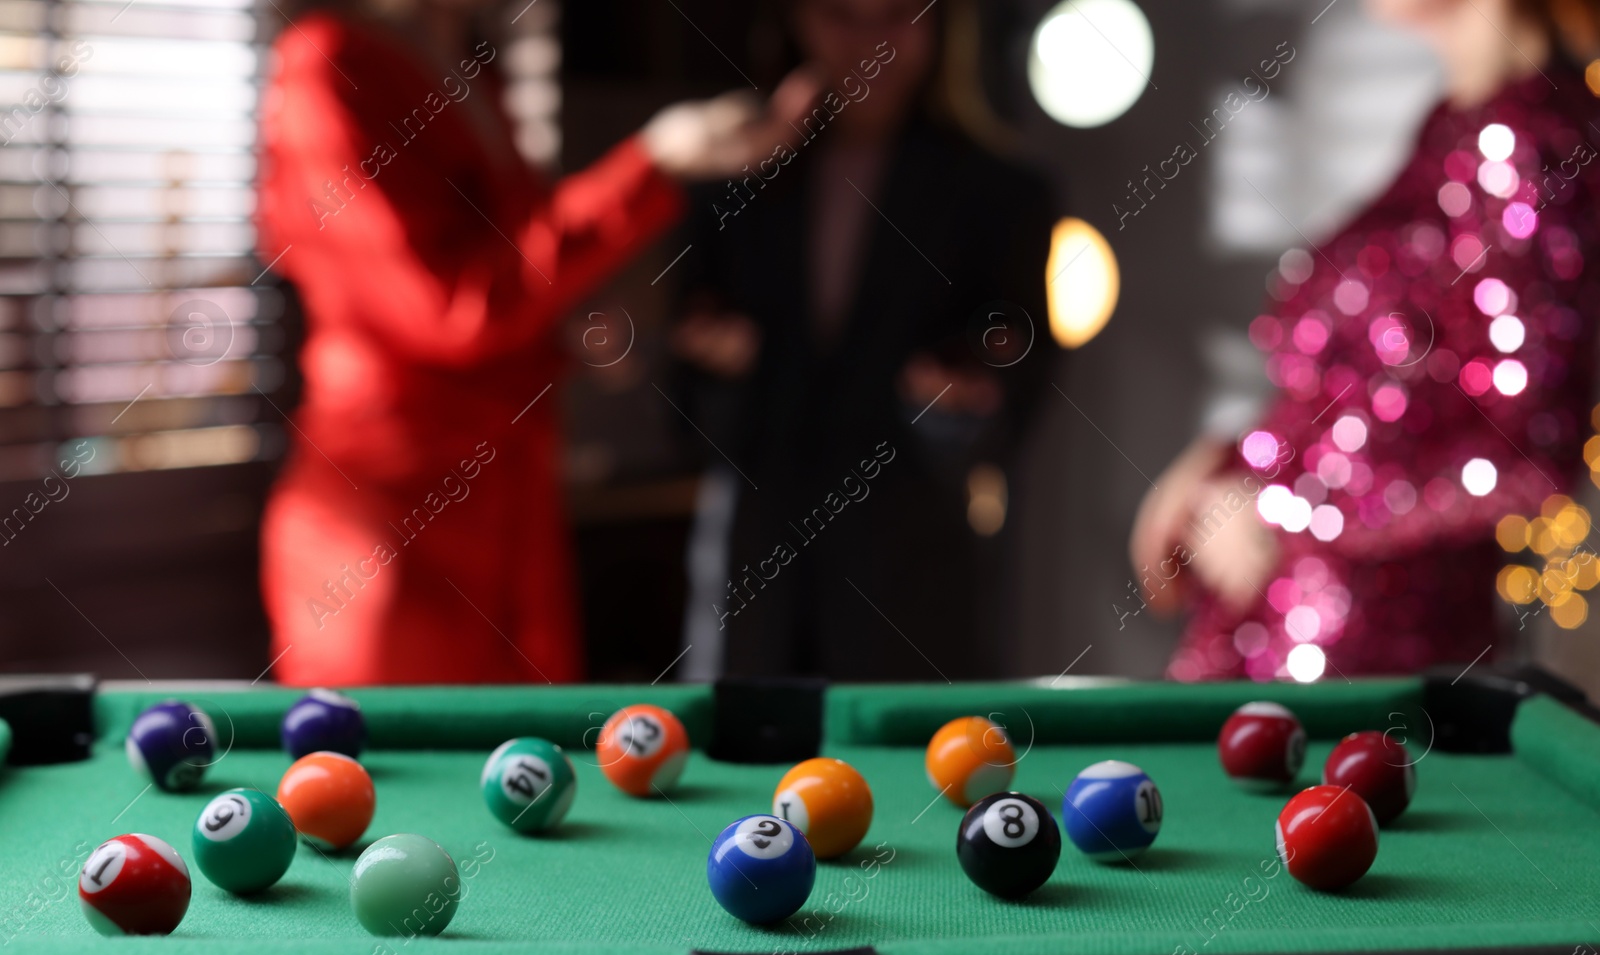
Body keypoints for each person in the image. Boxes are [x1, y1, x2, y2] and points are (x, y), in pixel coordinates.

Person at [255, 0, 815, 684]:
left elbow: (502, 272)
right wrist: (652, 161)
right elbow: (449, 306)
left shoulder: (470, 64)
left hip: (513, 499)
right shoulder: (330, 62)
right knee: (387, 773)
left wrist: (560, 338)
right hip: (391, 518)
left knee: (529, 770)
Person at [1131, 0, 1600, 680]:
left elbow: (1531, 454)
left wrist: (1282, 507)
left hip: (1367, 679)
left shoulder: (1530, 141)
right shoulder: (1454, 124)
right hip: (1279, 636)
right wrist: (1227, 461)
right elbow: (1384, 397)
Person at [671, 0, 1055, 682]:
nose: (871, 39)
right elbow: (678, 407)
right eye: (842, 13)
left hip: (908, 586)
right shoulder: (732, 177)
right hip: (752, 573)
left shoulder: (1005, 194)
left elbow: (1017, 390)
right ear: (796, 19)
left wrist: (957, 401)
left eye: (899, 14)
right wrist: (716, 366)